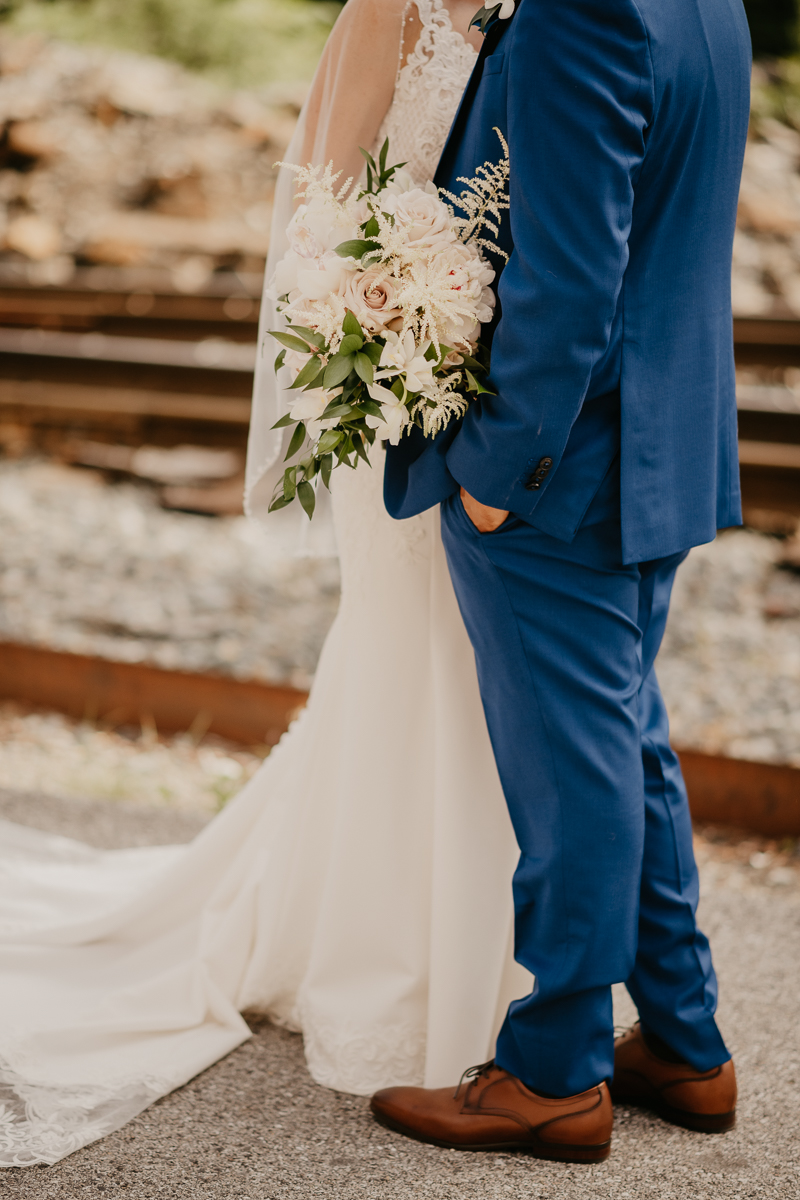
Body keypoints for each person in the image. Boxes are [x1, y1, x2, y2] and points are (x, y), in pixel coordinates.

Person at [0, 1, 532, 1169]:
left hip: (460, 386)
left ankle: (493, 965)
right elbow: (319, 210)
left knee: (467, 669)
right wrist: (397, 316)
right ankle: (395, 978)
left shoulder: (514, 9)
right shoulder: (389, 9)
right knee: (415, 663)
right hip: (391, 379)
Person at [371, 0, 751, 1164]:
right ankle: (685, 1045)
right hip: (660, 441)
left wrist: (496, 472)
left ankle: (552, 1072)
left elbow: (569, 278)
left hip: (563, 466)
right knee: (620, 738)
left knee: (572, 766)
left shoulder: (579, 13)